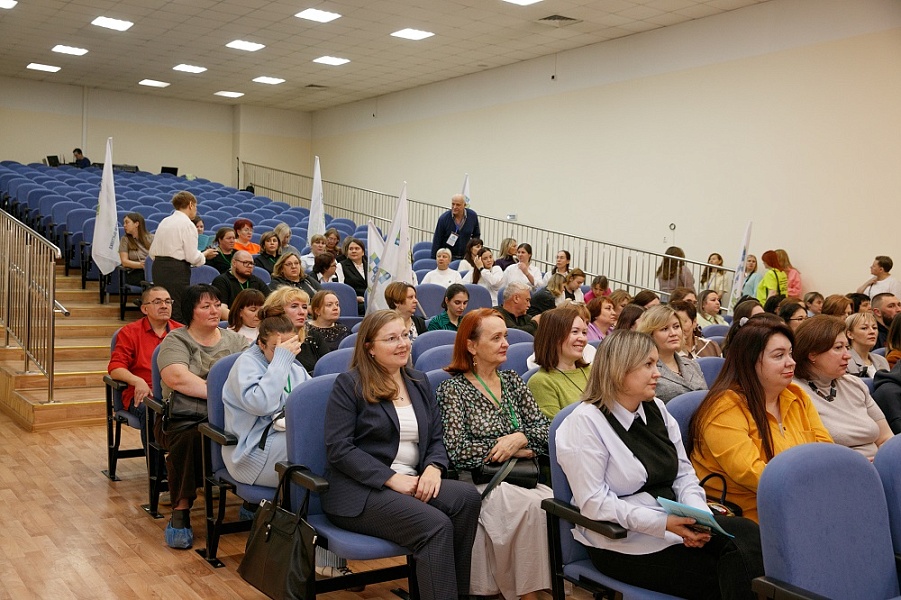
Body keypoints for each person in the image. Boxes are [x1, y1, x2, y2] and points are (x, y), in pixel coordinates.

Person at [556, 330, 764, 600]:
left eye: (656, 364)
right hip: (622, 541)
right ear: (619, 370)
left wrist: (700, 518)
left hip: (672, 522)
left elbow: (684, 475)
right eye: (648, 364)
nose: (658, 373)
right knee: (738, 571)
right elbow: (594, 503)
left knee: (748, 538)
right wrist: (662, 523)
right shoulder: (585, 423)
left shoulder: (656, 408)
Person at [323, 310, 482, 600]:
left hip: (412, 480)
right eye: (391, 339)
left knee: (467, 498)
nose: (403, 344)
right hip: (361, 492)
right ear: (369, 348)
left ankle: (453, 594)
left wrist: (434, 467)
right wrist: (390, 478)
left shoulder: (418, 381)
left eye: (405, 336)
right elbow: (339, 448)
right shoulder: (350, 384)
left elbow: (436, 437)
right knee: (435, 526)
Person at [435, 309, 552, 600]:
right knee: (529, 507)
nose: (505, 344)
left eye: (506, 336)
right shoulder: (453, 390)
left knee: (549, 502)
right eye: (496, 337)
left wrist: (519, 438)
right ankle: (529, 594)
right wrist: (506, 448)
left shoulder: (512, 381)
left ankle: (538, 587)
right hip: (479, 480)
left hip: (521, 477)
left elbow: (545, 429)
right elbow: (457, 450)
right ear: (472, 345)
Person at [689, 318, 833, 522]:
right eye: (779, 356)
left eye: (790, 353)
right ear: (750, 361)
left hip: (800, 500)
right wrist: (813, 488)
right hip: (751, 515)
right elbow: (752, 474)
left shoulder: (796, 396)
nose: (791, 362)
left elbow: (825, 451)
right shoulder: (724, 408)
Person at [155, 284, 249, 548]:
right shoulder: (176, 340)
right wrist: (224, 395)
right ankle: (181, 510)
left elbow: (252, 373)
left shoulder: (236, 340)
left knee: (260, 431)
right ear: (190, 311)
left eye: (217, 304)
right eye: (205, 306)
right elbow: (177, 378)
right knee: (189, 438)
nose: (214, 310)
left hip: (229, 415)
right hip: (184, 416)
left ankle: (252, 500)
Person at [222, 315, 308, 488]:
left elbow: (310, 402)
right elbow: (262, 405)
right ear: (261, 344)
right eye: (278, 348)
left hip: (283, 436)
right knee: (309, 449)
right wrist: (281, 361)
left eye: (289, 346)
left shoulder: (295, 368)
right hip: (252, 451)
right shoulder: (246, 364)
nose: (286, 353)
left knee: (328, 443)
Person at [792, 315, 893, 460]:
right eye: (838, 348)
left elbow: (886, 438)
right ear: (812, 354)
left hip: (880, 464)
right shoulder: (794, 393)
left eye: (847, 347)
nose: (848, 356)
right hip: (838, 468)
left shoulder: (854, 384)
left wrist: (885, 462)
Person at [107, 286, 183, 440]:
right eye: (157, 302)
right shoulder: (130, 332)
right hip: (144, 393)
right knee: (153, 410)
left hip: (176, 392)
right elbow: (116, 368)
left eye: (168, 301)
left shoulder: (181, 332)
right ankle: (154, 457)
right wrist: (137, 381)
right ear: (144, 309)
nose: (164, 306)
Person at [148, 191, 217, 324]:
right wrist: (204, 255)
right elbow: (192, 257)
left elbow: (152, 252)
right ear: (191, 205)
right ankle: (176, 336)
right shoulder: (187, 224)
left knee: (163, 306)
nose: (196, 210)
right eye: (195, 206)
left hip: (158, 267)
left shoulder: (165, 221)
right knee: (177, 308)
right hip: (176, 270)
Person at [528, 306, 591, 419]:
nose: (582, 339)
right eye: (575, 332)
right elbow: (555, 427)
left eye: (584, 333)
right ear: (554, 336)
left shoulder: (592, 371)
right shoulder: (541, 382)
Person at [637, 305, 707, 402]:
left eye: (676, 327)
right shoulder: (643, 369)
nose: (673, 333)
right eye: (664, 329)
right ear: (650, 334)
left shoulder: (692, 364)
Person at [260, 286, 325, 375]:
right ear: (277, 311)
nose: (302, 312)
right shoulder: (266, 342)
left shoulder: (313, 336)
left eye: (304, 307)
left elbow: (328, 368)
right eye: (294, 306)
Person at [211, 250, 270, 318]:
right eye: (245, 262)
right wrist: (241, 321)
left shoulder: (257, 281)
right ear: (234, 263)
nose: (250, 266)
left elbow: (269, 303)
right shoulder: (221, 281)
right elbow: (222, 309)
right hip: (233, 322)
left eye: (251, 263)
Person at [431, 193, 480, 260]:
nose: (454, 207)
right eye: (453, 204)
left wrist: (474, 252)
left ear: (464, 205)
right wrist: (434, 259)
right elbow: (437, 240)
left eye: (458, 205)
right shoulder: (443, 219)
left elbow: (476, 236)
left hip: (466, 257)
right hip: (448, 258)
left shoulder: (472, 216)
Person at [844, 312, 890, 377]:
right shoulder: (845, 361)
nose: (872, 332)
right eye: (864, 328)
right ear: (850, 334)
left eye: (874, 328)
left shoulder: (882, 360)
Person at [118, 212, 154, 286]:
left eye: (127, 222)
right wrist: (140, 265)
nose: (124, 225)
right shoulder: (125, 240)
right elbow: (124, 262)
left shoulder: (152, 238)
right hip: (135, 272)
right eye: (124, 223)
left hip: (151, 270)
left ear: (136, 224)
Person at [337, 237, 367, 315]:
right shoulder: (341, 266)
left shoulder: (370, 265)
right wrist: (355, 298)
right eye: (351, 249)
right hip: (353, 301)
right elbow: (341, 287)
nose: (353, 251)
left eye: (357, 248)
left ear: (363, 252)